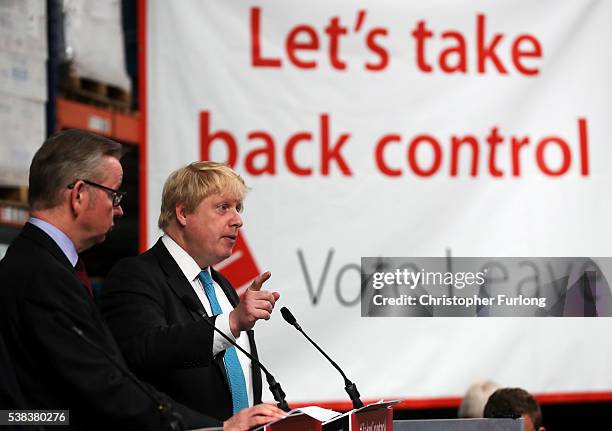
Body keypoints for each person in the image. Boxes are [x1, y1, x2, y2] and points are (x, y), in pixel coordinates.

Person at [0, 130, 285, 430]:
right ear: (79, 194)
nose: (120, 208)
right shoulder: (45, 274)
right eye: (114, 194)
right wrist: (217, 428)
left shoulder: (46, 265)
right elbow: (107, 381)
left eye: (238, 208)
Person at [99, 161, 281, 421]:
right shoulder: (136, 275)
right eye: (223, 208)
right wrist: (231, 322)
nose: (238, 220)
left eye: (238, 208)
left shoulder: (222, 286)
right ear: (183, 213)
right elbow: (145, 349)